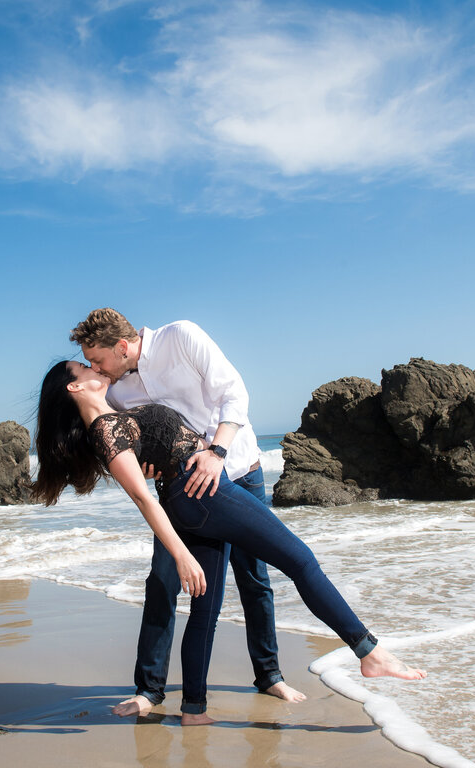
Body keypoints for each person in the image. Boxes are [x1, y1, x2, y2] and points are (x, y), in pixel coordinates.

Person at [31, 360, 426, 725]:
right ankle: (369, 652)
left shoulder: (111, 417)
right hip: (204, 495)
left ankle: (194, 709)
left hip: (190, 497)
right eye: (82, 366)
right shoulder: (105, 428)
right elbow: (141, 498)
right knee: (301, 561)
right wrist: (181, 555)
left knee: (207, 608)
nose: (91, 365)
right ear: (74, 387)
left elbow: (150, 464)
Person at [69, 308, 302, 715]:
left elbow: (234, 392)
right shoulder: (115, 390)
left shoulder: (182, 337)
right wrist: (147, 463)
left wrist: (217, 451)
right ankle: (150, 689)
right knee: (163, 579)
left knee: (254, 580)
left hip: (238, 470)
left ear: (122, 347)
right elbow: (136, 440)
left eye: (98, 359)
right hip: (182, 492)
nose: (94, 368)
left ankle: (270, 676)